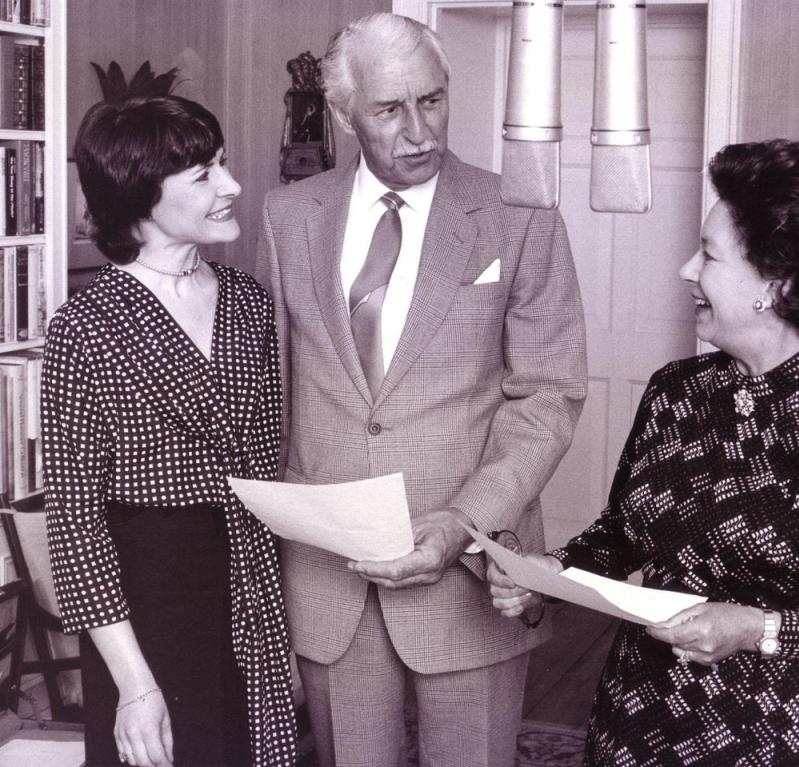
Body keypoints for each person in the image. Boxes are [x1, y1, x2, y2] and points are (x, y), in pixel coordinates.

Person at [489, 139, 799, 766]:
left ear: (775, 285)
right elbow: (621, 536)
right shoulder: (677, 392)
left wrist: (757, 629)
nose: (685, 270)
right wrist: (547, 575)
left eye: (707, 254)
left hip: (770, 737)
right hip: (634, 719)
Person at [255, 12, 587, 767]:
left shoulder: (520, 215)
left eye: (431, 101)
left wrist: (464, 522)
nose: (418, 131)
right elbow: (275, 386)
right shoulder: (288, 216)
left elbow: (550, 395)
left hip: (472, 567)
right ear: (343, 114)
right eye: (389, 109)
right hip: (329, 580)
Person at [42, 95, 297, 767]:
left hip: (247, 588)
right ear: (140, 196)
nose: (232, 186)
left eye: (223, 164)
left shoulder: (248, 302)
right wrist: (133, 683)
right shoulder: (85, 327)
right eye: (204, 174)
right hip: (144, 607)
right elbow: (75, 525)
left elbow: (269, 467)